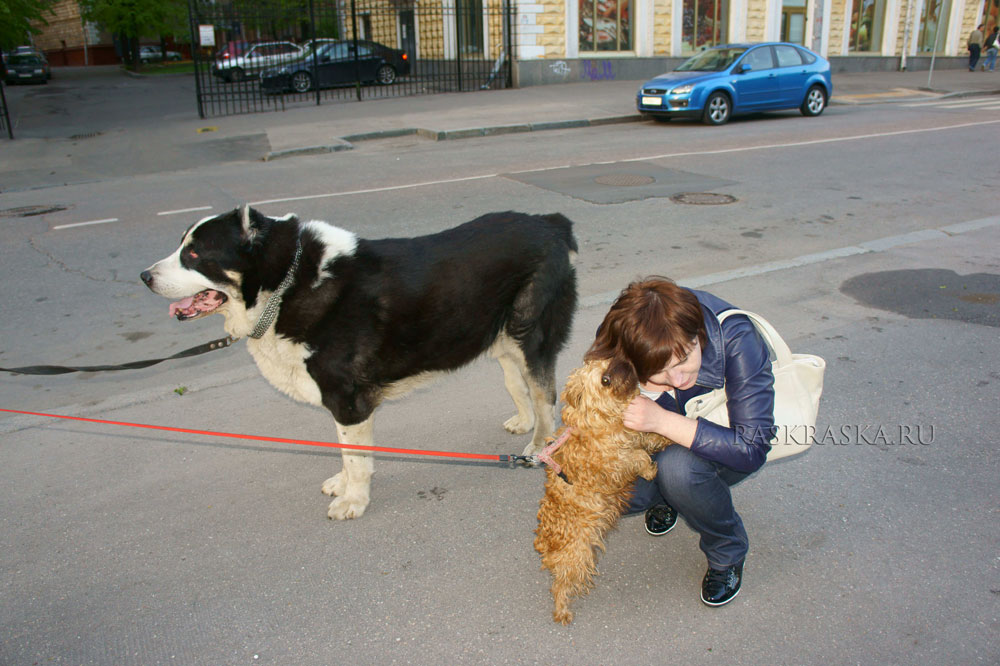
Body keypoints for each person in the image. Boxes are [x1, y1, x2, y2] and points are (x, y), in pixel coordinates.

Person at [585, 277, 776, 606]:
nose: (678, 378)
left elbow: (752, 449)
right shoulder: (621, 339)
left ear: (698, 335)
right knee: (598, 484)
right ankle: (671, 499)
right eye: (659, 371)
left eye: (685, 359)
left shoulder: (738, 337)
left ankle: (726, 551)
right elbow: (591, 403)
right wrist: (570, 443)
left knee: (679, 471)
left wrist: (661, 419)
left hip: (727, 447)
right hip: (656, 442)